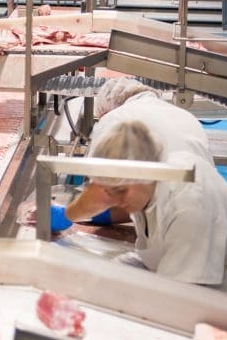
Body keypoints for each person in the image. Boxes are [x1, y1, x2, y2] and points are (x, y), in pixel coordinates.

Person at [75, 120, 227, 313]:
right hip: (190, 282)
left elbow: (177, 305)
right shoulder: (149, 180)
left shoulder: (190, 206)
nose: (116, 200)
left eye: (120, 191)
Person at [52, 78, 214, 231]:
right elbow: (136, 194)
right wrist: (103, 215)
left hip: (184, 220)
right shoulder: (182, 115)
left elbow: (102, 189)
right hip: (204, 202)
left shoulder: (114, 119)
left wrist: (67, 215)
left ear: (107, 109)